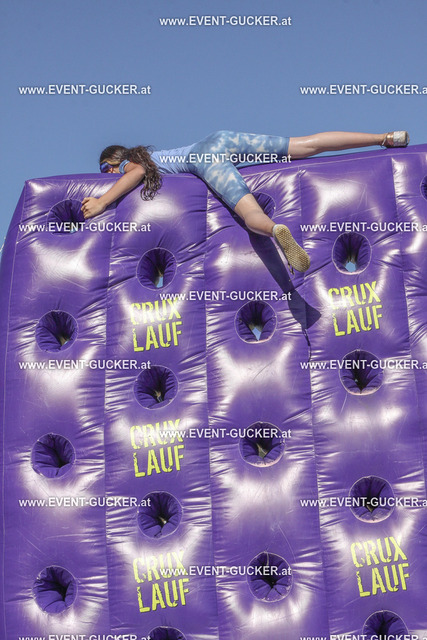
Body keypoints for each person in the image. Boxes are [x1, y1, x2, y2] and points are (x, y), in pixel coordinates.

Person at [81, 130, 409, 274]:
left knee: (249, 211)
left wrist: (101, 202)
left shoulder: (131, 164)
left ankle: (275, 229)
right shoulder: (150, 155)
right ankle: (384, 138)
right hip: (220, 139)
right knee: (304, 145)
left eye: (105, 169)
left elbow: (135, 173)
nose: (107, 174)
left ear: (115, 160)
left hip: (205, 159)